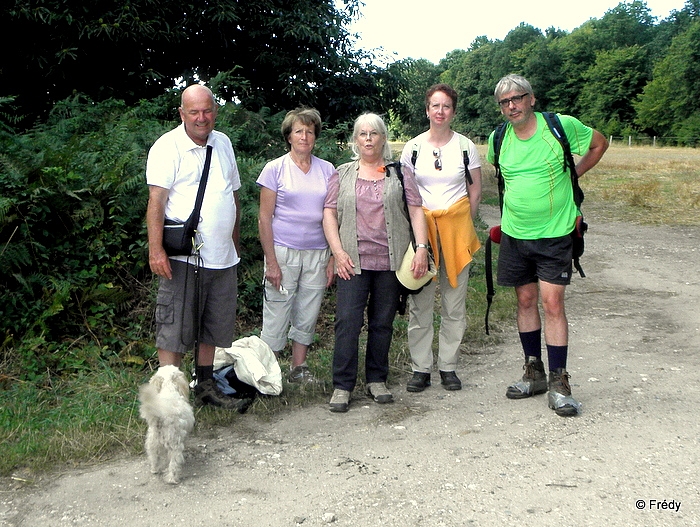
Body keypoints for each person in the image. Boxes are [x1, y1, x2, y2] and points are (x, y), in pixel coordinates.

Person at [486, 74, 608, 416]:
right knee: (525, 301)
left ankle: (559, 381)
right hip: (514, 234)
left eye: (517, 98)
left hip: (555, 234)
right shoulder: (498, 138)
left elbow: (599, 143)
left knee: (552, 303)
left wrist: (574, 173)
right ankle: (533, 371)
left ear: (531, 98)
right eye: (505, 102)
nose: (512, 106)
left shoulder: (560, 126)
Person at [323, 112, 430, 413]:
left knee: (382, 323)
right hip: (351, 262)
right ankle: (343, 386)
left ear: (383, 138)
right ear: (355, 140)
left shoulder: (399, 172)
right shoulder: (342, 173)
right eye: (362, 134)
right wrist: (337, 252)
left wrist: (420, 248)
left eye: (374, 133)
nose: (368, 139)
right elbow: (329, 213)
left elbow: (416, 210)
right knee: (348, 323)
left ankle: (376, 380)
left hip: (391, 260)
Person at [146, 84, 243, 410]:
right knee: (174, 327)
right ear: (182, 114)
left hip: (221, 255)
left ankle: (204, 387)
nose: (202, 118)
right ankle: (169, 396)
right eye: (194, 112)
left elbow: (234, 196)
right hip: (183, 256)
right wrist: (156, 250)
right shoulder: (167, 147)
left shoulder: (224, 143)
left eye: (207, 110)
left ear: (215, 110)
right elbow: (156, 202)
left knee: (213, 325)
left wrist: (234, 242)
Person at [399, 83, 482, 393]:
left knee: (454, 303)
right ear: (427, 110)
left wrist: (465, 222)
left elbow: (474, 189)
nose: (440, 111)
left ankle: (448, 366)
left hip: (456, 230)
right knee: (420, 303)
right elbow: (406, 192)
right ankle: (420, 368)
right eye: (435, 105)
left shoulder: (465, 147)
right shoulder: (413, 148)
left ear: (453, 112)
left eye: (446, 106)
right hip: (422, 233)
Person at [257, 107, 336, 383]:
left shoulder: (328, 170)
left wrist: (333, 258)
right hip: (282, 251)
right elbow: (264, 218)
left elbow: (333, 215)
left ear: (316, 136)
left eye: (310, 131)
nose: (304, 136)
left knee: (308, 310)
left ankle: (298, 368)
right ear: (289, 136)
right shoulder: (274, 169)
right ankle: (266, 372)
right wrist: (272, 262)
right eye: (299, 131)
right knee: (277, 308)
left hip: (318, 252)